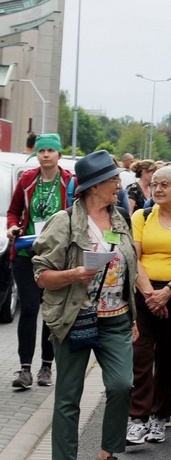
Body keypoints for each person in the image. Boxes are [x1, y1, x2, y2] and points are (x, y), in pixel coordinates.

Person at [32, 150, 138, 460]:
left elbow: (129, 270)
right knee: (68, 395)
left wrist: (133, 313)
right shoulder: (64, 221)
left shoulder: (121, 217)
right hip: (74, 317)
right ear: (94, 187)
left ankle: (106, 459)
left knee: (122, 385)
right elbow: (41, 276)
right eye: (113, 179)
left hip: (116, 318)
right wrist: (75, 274)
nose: (118, 184)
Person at [125, 166, 171, 445]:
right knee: (141, 358)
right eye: (155, 184)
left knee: (170, 359)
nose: (157, 189)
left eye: (164, 185)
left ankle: (159, 417)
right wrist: (150, 295)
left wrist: (166, 293)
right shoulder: (141, 216)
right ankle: (138, 418)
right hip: (145, 296)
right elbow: (135, 258)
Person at [6, 133, 74, 389]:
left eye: (50, 150)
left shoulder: (69, 182)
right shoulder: (26, 179)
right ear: (36, 154)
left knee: (50, 312)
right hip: (26, 253)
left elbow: (76, 213)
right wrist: (12, 228)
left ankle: (47, 366)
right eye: (41, 150)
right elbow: (13, 211)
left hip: (56, 256)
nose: (45, 154)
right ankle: (25, 370)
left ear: (59, 154)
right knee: (30, 309)